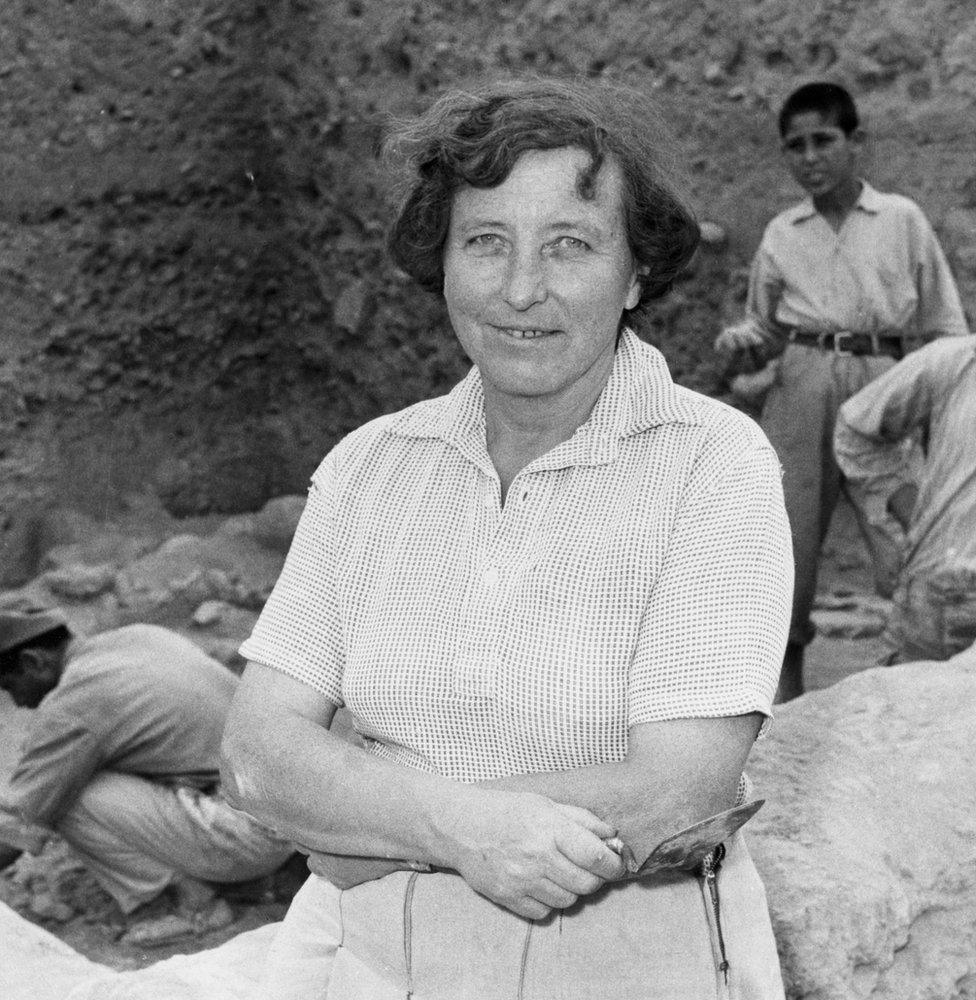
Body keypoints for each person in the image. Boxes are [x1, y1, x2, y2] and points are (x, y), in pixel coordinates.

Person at [222, 77, 793, 999]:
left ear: (637, 271)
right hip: (364, 958)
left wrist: (359, 821)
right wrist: (454, 828)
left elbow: (674, 791)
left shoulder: (713, 467)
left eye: (570, 245)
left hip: (627, 959)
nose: (523, 288)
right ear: (441, 261)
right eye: (486, 242)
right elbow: (256, 753)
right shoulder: (371, 469)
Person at [714, 81, 968, 701]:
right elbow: (765, 330)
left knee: (906, 530)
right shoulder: (783, 232)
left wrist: (935, 418)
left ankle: (920, 677)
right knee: (786, 540)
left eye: (823, 140)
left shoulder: (901, 219)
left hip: (885, 385)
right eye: (794, 146)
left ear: (856, 144)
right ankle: (783, 697)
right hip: (801, 380)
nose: (809, 157)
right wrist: (745, 344)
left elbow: (945, 329)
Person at [0, 609, 294, 942]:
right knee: (88, 766)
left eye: (10, 686)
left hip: (254, 837)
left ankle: (199, 907)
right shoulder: (140, 636)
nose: (18, 703)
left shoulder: (73, 703)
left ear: (33, 661)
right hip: (294, 811)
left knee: (68, 796)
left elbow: (17, 823)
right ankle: (243, 878)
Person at [834, 334, 976, 663]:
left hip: (948, 581)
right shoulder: (956, 360)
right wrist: (915, 514)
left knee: (913, 709)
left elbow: (854, 429)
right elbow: (856, 428)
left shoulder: (953, 358)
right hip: (951, 588)